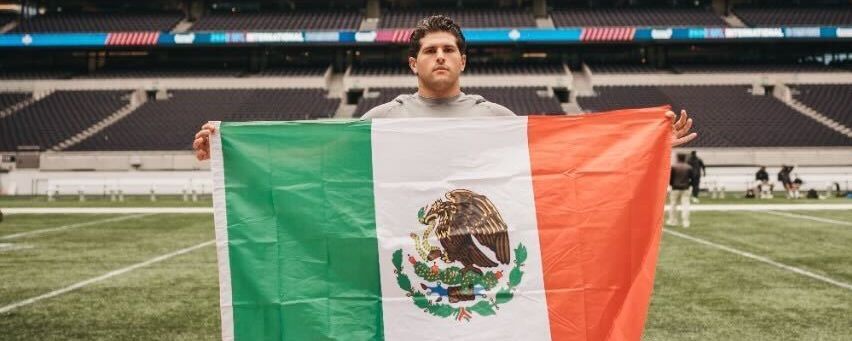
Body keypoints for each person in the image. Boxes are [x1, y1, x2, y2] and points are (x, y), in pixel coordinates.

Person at [192, 15, 697, 160]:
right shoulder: (384, 118)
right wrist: (229, 143)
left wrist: (648, 143)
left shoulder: (496, 118)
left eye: (448, 50)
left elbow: (570, 149)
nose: (440, 56)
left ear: (463, 61)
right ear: (414, 63)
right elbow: (315, 147)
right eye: (430, 50)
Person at [667, 153, 694, 228]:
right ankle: (686, 222)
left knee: (673, 205)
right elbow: (693, 178)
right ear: (685, 158)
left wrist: (671, 185)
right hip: (685, 188)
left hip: (675, 188)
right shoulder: (689, 167)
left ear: (677, 158)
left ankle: (672, 221)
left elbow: (670, 178)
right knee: (685, 205)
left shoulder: (674, 166)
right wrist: (690, 185)